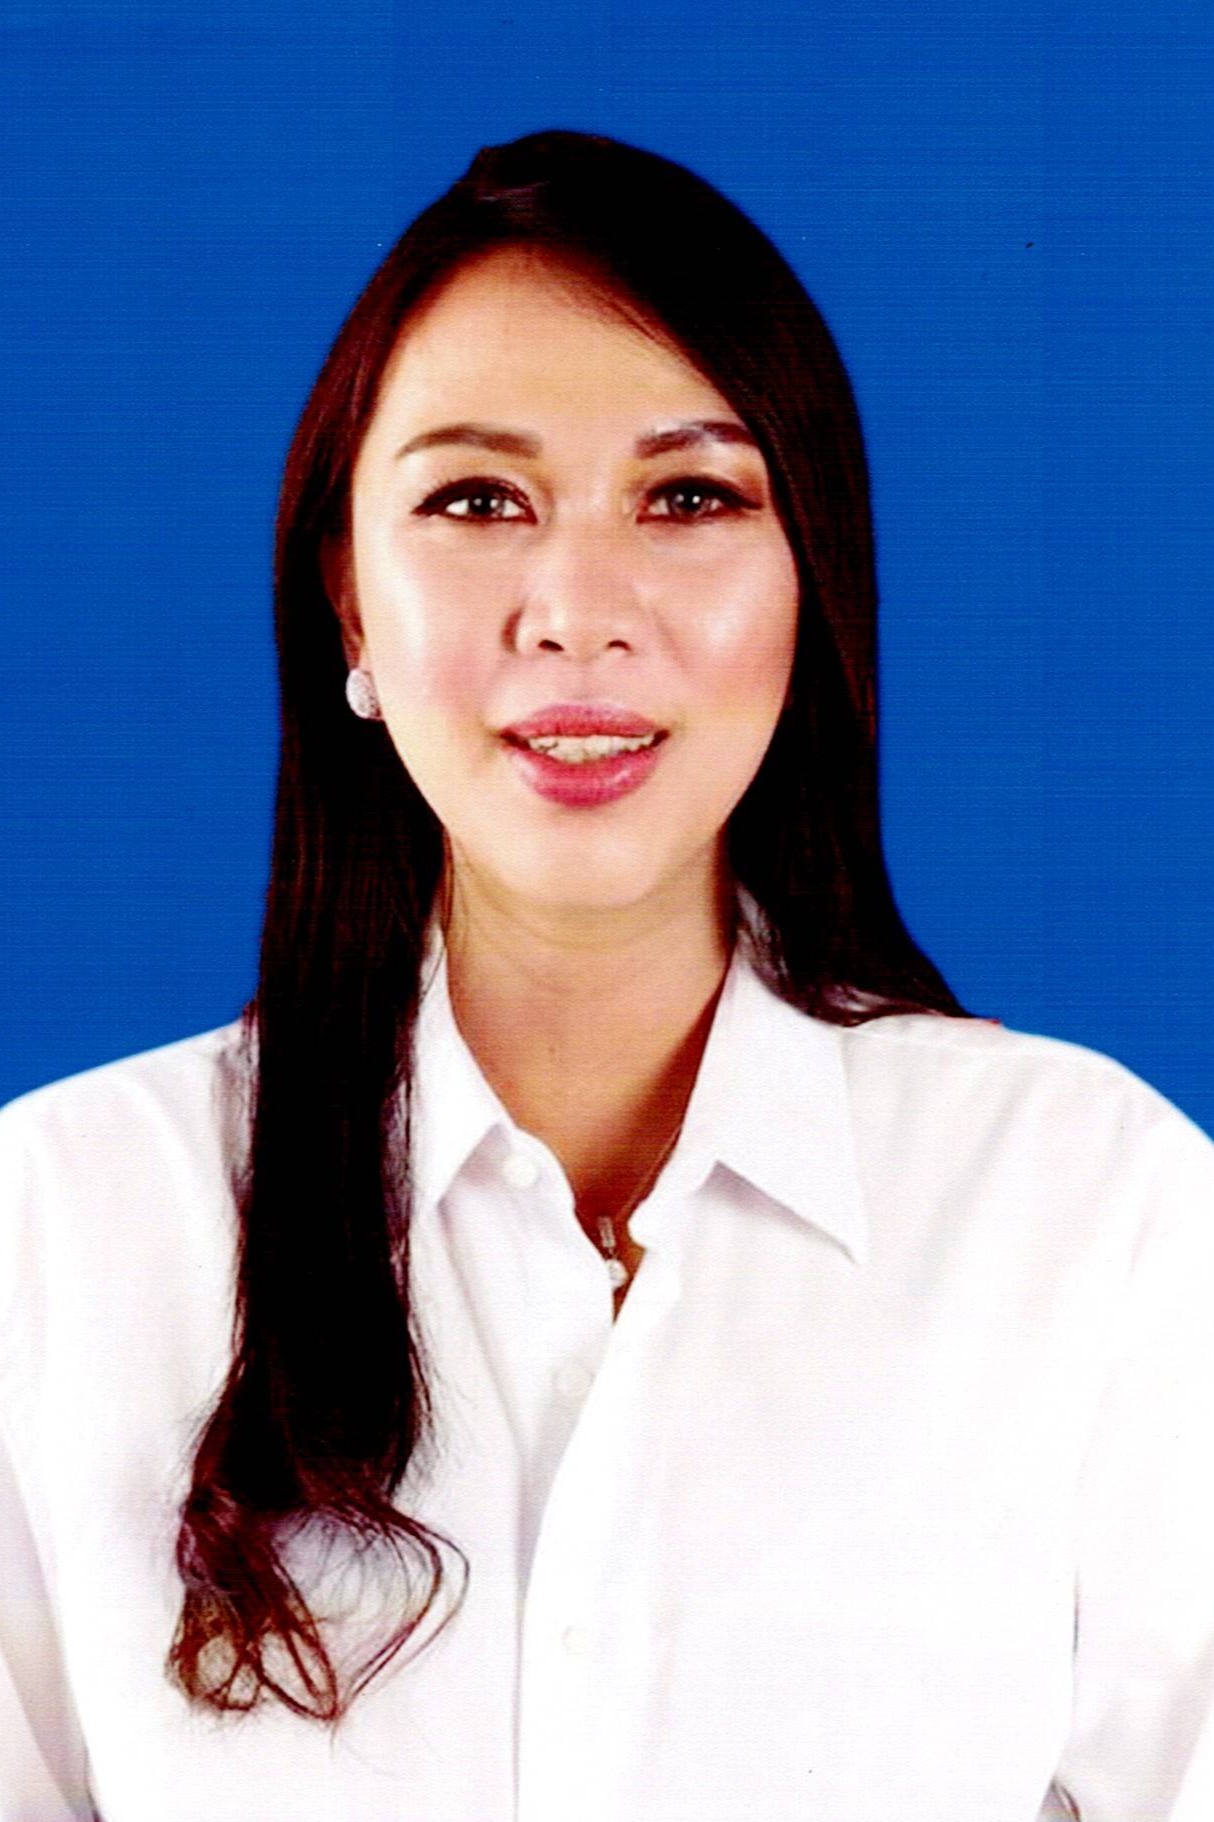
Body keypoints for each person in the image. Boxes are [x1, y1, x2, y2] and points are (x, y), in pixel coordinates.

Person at [1, 128, 1212, 1822]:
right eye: (476, 501)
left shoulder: (1093, 1209)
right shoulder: (58, 1231)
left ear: (809, 578)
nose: (578, 611)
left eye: (689, 498)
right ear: (348, 601)